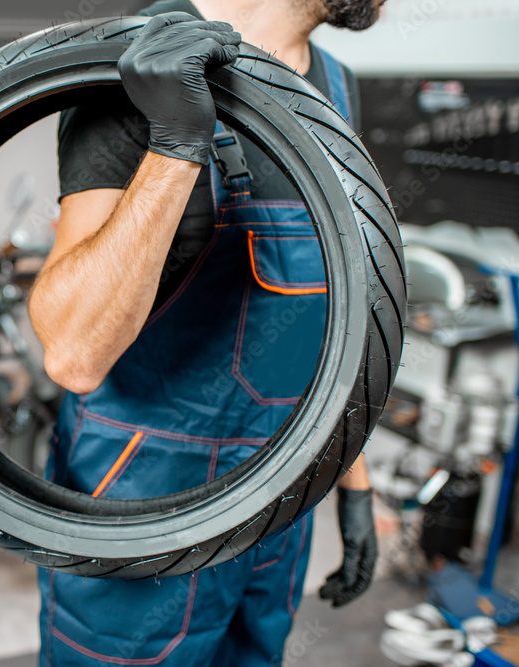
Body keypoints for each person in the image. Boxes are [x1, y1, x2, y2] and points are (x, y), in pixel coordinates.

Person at [27, 0, 384, 664]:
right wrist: (175, 144)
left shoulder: (335, 87)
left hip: (282, 492)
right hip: (147, 503)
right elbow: (73, 350)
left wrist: (355, 481)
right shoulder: (141, 61)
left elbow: (339, 322)